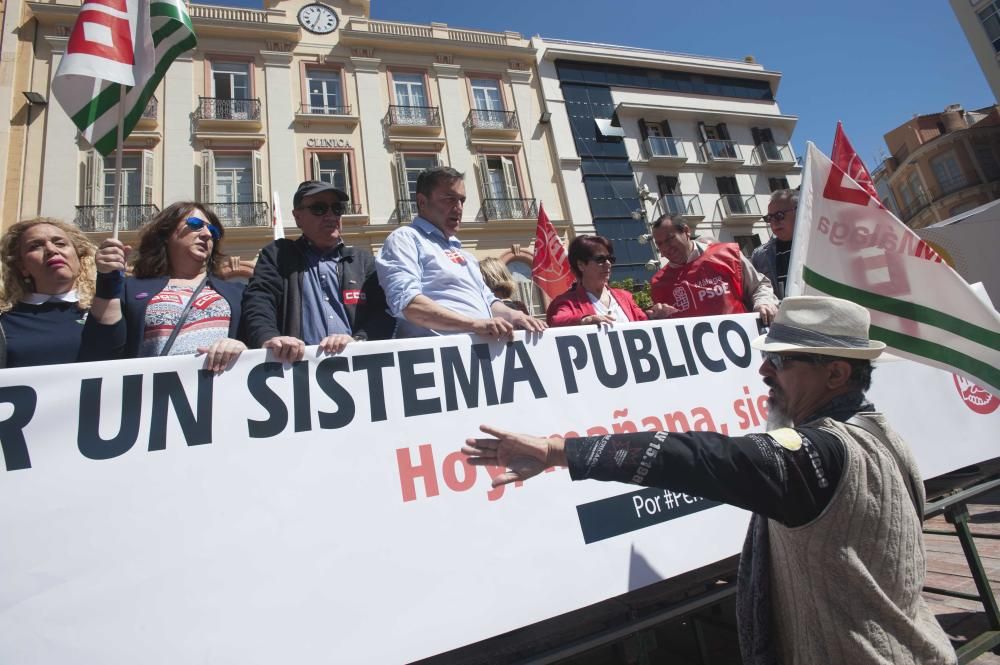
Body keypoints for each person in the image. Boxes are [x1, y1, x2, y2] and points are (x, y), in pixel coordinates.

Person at [463, 295, 957, 665]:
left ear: (834, 375)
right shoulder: (881, 430)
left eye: (782, 360)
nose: (764, 369)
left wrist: (557, 451)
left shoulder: (820, 452)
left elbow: (698, 457)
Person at [376, 166, 546, 339]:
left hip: (477, 354)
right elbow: (408, 304)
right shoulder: (405, 239)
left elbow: (488, 300)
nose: (458, 208)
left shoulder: (466, 255)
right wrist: (473, 324)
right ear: (422, 202)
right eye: (449, 199)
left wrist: (515, 316)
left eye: (462, 200)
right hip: (437, 357)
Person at [82, 202, 246, 373]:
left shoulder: (238, 293)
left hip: (219, 394)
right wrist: (107, 280)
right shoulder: (130, 289)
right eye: (195, 225)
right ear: (166, 234)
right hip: (155, 395)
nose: (206, 234)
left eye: (213, 231)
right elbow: (100, 352)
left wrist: (243, 349)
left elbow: (259, 345)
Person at [240, 180, 393, 363]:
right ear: (297, 217)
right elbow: (259, 300)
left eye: (337, 208)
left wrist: (358, 340)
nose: (330, 215)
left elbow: (384, 312)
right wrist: (269, 337)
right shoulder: (278, 255)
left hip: (356, 366)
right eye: (319, 208)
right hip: (296, 369)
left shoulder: (363, 261)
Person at [0, 218, 96, 368]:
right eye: (35, 246)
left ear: (79, 257)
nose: (51, 250)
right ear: (22, 266)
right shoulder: (5, 320)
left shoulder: (106, 307)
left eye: (60, 243)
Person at [649, 215, 778, 324]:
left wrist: (763, 303)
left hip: (745, 341)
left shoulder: (727, 254)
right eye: (660, 244)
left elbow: (759, 285)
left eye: (670, 239)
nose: (666, 247)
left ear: (686, 231)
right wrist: (657, 318)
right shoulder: (658, 283)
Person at [546, 235, 647, 326]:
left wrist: (656, 314)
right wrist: (585, 320)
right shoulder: (567, 302)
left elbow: (644, 320)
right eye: (600, 259)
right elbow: (556, 321)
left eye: (610, 259)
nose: (608, 264)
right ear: (581, 265)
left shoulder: (625, 296)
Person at [752, 189, 798, 300]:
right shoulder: (760, 256)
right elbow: (757, 291)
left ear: (799, 211)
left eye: (779, 215)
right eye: (769, 218)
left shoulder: (819, 244)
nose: (774, 222)